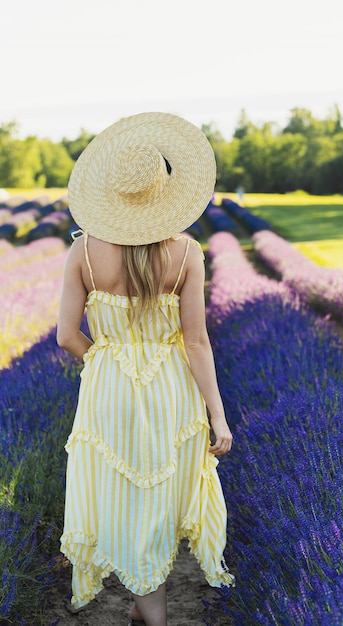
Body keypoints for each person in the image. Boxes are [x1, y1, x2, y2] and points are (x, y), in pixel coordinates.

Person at [56, 112, 234, 626]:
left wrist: (105, 360)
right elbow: (197, 341)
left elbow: (67, 334)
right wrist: (218, 418)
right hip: (170, 389)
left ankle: (142, 605)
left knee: (118, 490)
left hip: (106, 389)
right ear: (165, 192)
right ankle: (152, 612)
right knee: (157, 493)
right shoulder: (185, 254)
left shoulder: (83, 252)